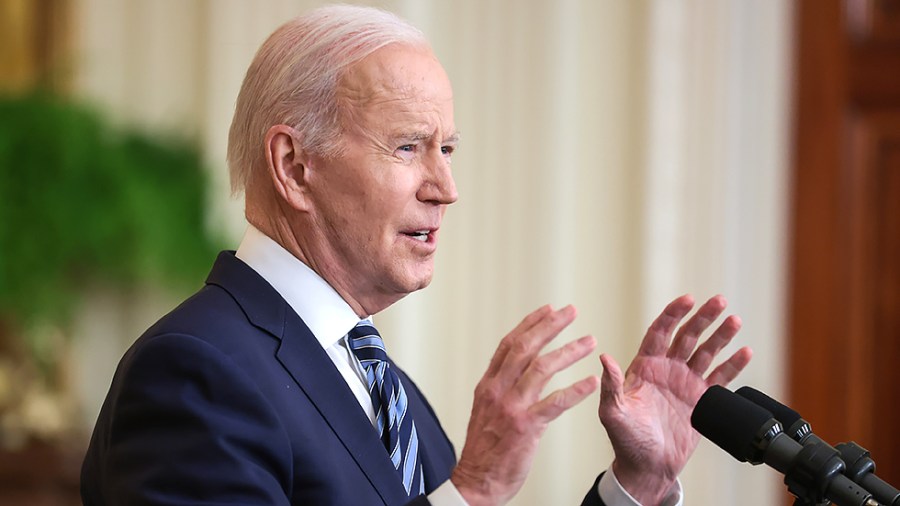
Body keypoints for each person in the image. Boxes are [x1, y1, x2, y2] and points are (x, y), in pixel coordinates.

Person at [80, 5, 752, 506]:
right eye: (408, 147)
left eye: (448, 149)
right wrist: (475, 488)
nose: (446, 189)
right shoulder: (196, 373)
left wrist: (637, 484)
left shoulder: (390, 392)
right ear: (293, 166)